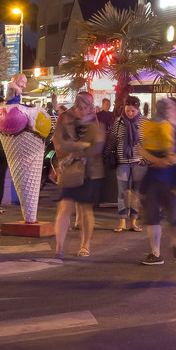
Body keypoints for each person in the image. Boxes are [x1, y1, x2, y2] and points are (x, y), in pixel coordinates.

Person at [139, 96, 176, 265]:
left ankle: (170, 247)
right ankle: (159, 251)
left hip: (167, 181)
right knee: (158, 216)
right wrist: (161, 161)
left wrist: (170, 160)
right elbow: (140, 149)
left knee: (170, 217)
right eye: (165, 109)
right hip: (159, 180)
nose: (167, 112)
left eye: (169, 109)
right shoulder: (157, 129)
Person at [51, 91, 104, 260]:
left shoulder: (93, 118)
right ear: (77, 104)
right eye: (84, 105)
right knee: (65, 206)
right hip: (70, 168)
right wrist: (80, 146)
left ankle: (85, 246)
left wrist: (79, 147)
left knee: (85, 208)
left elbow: (97, 144)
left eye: (89, 105)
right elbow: (58, 142)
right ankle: (59, 247)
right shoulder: (65, 117)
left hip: (90, 170)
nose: (87, 109)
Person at [109, 95, 144, 232]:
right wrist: (109, 156)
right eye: (128, 110)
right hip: (122, 161)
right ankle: (122, 222)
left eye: (133, 111)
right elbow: (112, 141)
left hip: (138, 162)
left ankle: (134, 222)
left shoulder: (143, 122)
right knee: (122, 192)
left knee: (135, 193)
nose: (130, 113)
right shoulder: (118, 122)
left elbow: (148, 142)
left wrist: (145, 159)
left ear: (138, 109)